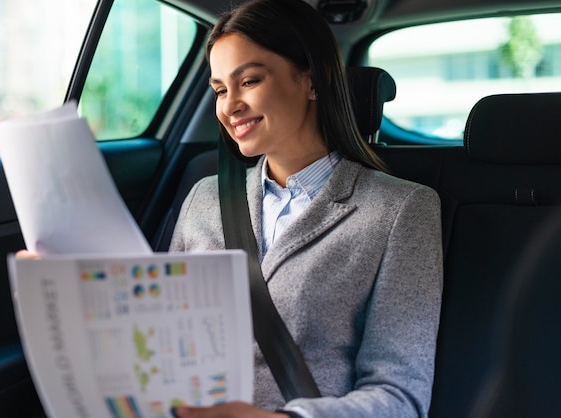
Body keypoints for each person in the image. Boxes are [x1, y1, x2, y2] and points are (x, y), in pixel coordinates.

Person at [169, 0, 443, 417]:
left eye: (250, 81)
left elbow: (400, 395)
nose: (230, 106)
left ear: (311, 80)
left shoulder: (401, 210)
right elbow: (160, 336)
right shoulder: (204, 199)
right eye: (221, 90)